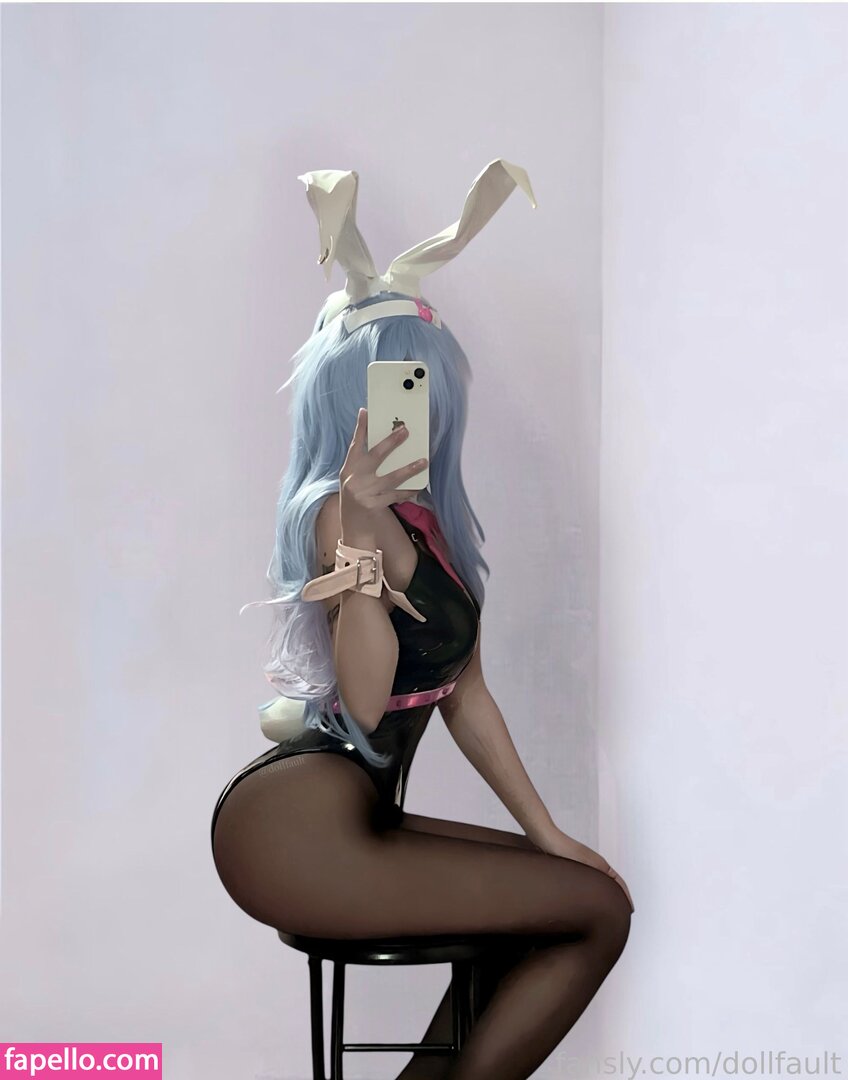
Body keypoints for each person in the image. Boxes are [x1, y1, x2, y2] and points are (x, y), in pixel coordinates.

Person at [211, 159, 634, 1080]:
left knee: (577, 895)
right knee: (594, 915)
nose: (417, 408)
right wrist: (361, 532)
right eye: (395, 387)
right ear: (345, 398)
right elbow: (366, 705)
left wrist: (548, 833)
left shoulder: (424, 523)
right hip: (295, 826)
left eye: (424, 386)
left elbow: (466, 697)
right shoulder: (336, 511)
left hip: (357, 816)